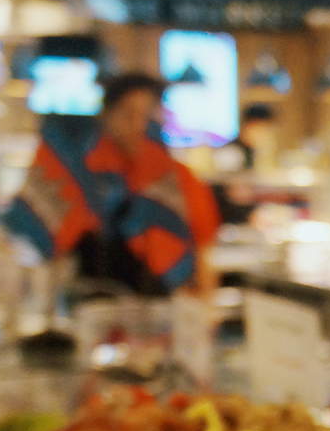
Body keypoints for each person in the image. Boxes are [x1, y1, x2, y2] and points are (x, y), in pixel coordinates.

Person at [73, 72, 220, 298]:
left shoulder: (180, 181)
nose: (139, 125)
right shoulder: (85, 174)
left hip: (163, 309)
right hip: (93, 306)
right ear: (106, 115)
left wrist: (204, 308)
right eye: (128, 114)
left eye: (148, 115)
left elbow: (204, 252)